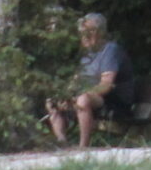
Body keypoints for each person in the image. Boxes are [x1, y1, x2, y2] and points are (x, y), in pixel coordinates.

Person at [46, 13, 134, 148]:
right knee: (52, 101)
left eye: (90, 31)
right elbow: (76, 81)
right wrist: (66, 96)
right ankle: (62, 142)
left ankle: (83, 147)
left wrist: (80, 95)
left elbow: (106, 85)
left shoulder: (110, 50)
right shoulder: (87, 54)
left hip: (115, 102)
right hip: (95, 98)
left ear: (102, 32)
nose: (85, 35)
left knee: (82, 100)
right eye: (82, 32)